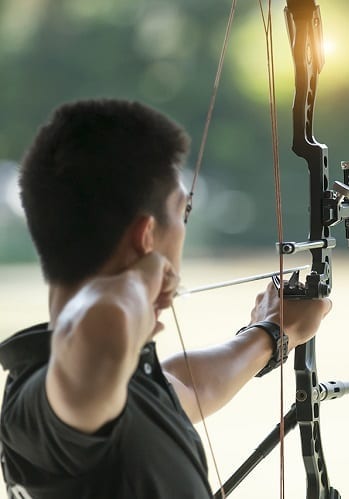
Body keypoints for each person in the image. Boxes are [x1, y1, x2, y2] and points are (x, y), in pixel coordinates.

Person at [0, 99, 332, 498]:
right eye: (183, 211)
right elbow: (101, 332)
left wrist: (271, 333)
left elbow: (189, 388)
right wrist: (147, 271)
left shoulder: (108, 392)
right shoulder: (49, 405)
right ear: (146, 234)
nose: (184, 227)